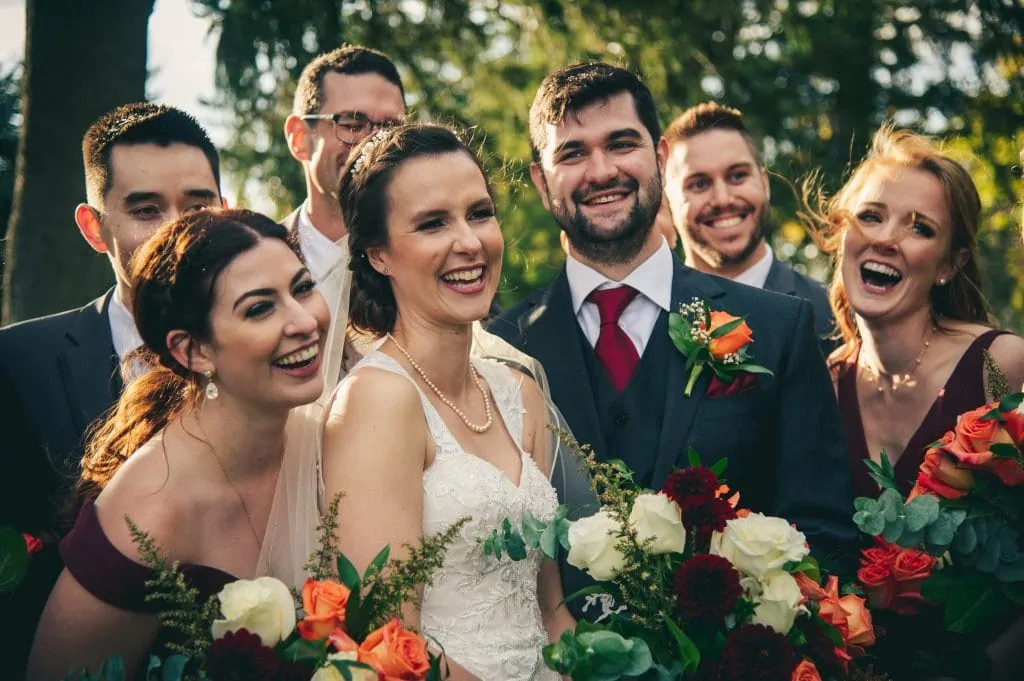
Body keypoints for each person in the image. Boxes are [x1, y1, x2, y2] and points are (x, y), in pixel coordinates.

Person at [488, 62, 856, 620]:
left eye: (621, 143)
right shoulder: (500, 349)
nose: (601, 170)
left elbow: (824, 533)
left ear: (659, 158)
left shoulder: (780, 327)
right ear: (541, 182)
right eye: (571, 154)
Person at [314, 124, 573, 680]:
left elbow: (550, 610)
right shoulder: (377, 401)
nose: (470, 242)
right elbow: (385, 636)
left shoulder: (517, 391)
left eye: (479, 213)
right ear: (378, 254)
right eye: (433, 223)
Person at [26, 209, 330, 681]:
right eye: (259, 308)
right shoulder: (148, 515)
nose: (304, 321)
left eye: (303, 288)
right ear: (194, 351)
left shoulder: (323, 439)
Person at [0, 103, 223, 680]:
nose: (176, 228)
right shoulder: (16, 363)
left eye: (197, 206)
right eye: (146, 209)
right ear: (94, 227)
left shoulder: (272, 359)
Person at [814, 127, 1024, 502]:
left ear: (950, 264)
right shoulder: (828, 383)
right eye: (871, 216)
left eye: (920, 228)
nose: (884, 239)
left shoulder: (1002, 364)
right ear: (843, 234)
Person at [661, 102, 834, 351]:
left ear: (764, 183)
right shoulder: (650, 318)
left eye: (737, 176)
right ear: (667, 201)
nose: (722, 199)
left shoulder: (831, 313)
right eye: (699, 184)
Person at [282, 45, 406, 331]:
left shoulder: (432, 252)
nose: (374, 143)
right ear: (300, 138)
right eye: (352, 124)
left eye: (389, 127)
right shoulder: (255, 260)